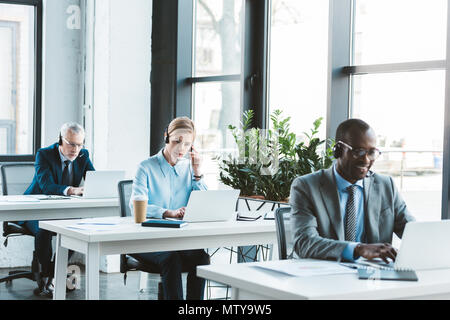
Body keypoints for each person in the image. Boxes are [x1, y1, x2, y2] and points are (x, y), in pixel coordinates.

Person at [289, 119, 415, 263]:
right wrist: (358, 249)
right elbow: (304, 243)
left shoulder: (386, 186)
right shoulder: (306, 186)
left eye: (372, 152)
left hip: (374, 277)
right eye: (358, 151)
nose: (366, 160)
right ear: (338, 150)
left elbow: (412, 231)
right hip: (325, 276)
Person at [130, 117, 210, 300]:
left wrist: (198, 173)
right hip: (147, 239)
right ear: (166, 137)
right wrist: (167, 213)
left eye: (187, 144)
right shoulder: (145, 167)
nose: (181, 149)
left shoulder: (190, 169)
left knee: (202, 258)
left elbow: (203, 202)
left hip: (179, 239)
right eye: (177, 141)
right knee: (170, 258)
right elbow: (137, 208)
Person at [21, 122, 95, 297]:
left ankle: (54, 274)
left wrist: (99, 187)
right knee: (43, 230)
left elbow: (94, 179)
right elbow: (46, 186)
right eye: (71, 144)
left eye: (79, 144)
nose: (75, 150)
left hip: (62, 211)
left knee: (76, 230)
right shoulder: (44, 154)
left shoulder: (83, 155)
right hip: (33, 208)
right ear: (61, 140)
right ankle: (47, 275)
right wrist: (72, 190)